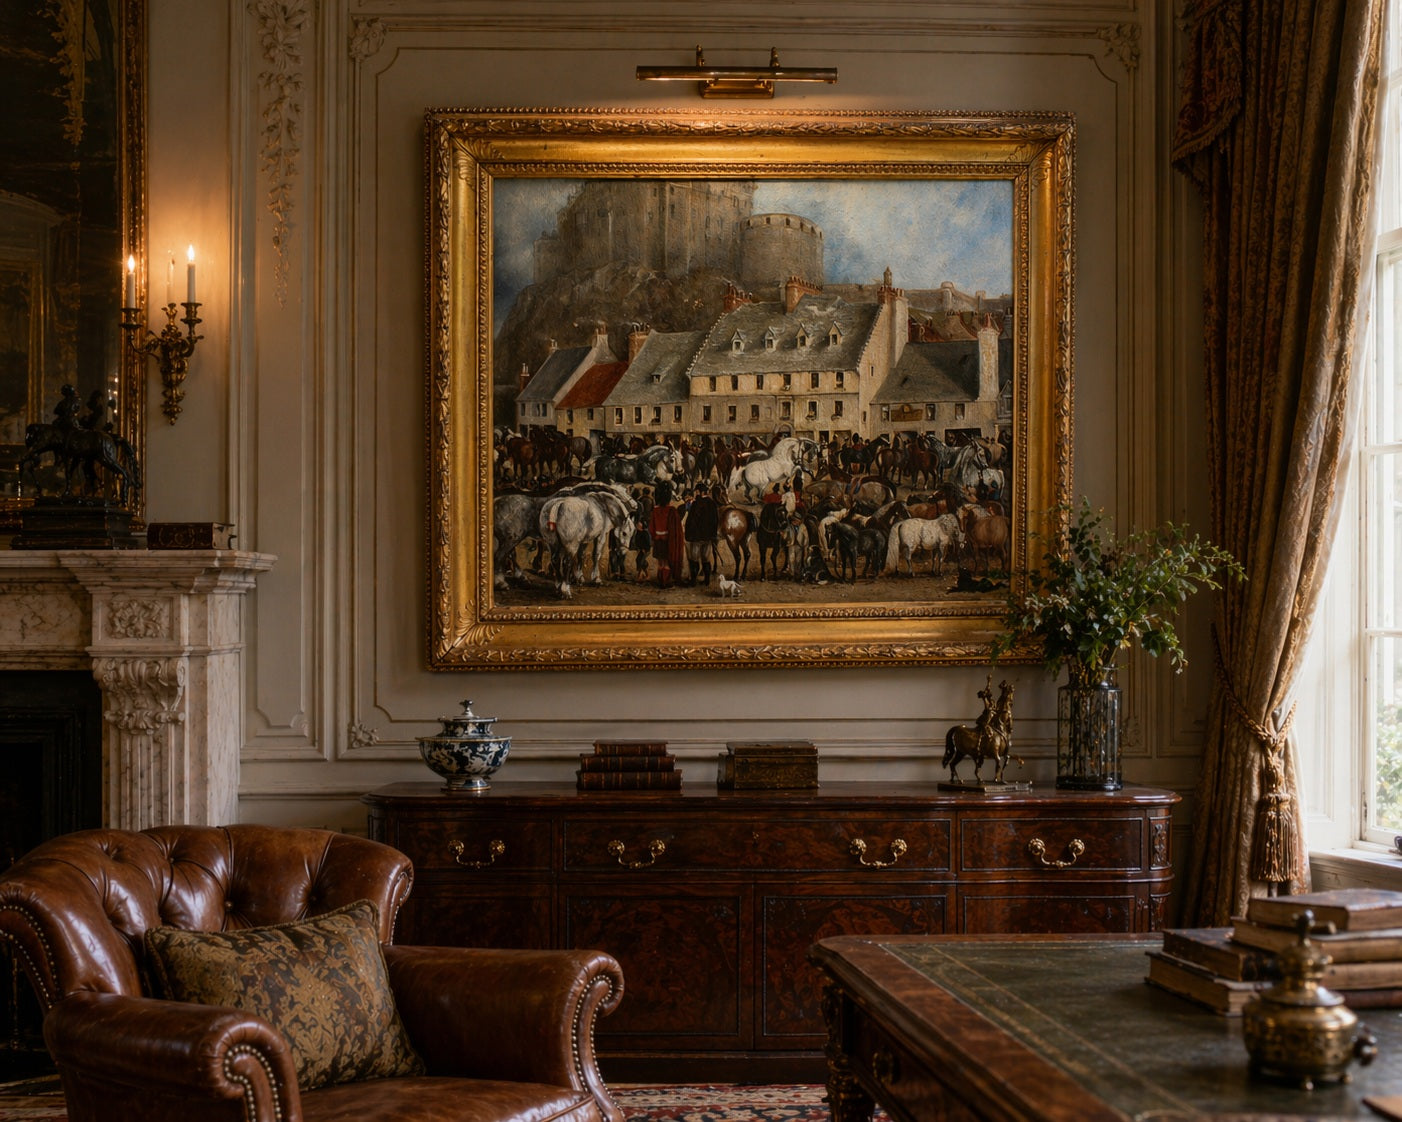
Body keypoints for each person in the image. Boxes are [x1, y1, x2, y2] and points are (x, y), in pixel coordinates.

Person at [647, 481, 684, 589]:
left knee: (660, 562)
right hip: (668, 540)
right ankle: (666, 582)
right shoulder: (672, 510)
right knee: (667, 562)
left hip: (658, 540)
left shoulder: (655, 510)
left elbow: (651, 527)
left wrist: (654, 536)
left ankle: (660, 581)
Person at [683, 484, 719, 585]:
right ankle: (707, 580)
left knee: (694, 559)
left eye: (697, 491)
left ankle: (693, 581)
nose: (696, 493)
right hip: (707, 537)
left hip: (697, 537)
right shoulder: (712, 503)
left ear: (701, 492)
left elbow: (691, 520)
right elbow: (715, 521)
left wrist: (689, 534)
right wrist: (713, 535)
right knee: (706, 559)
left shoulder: (696, 504)